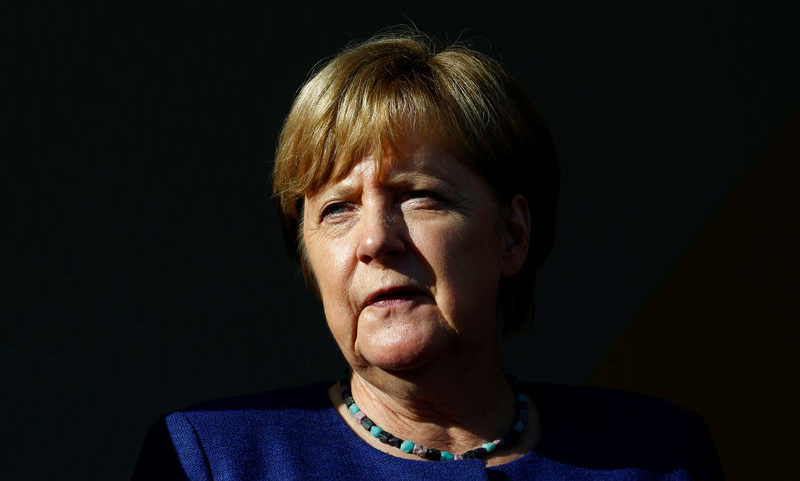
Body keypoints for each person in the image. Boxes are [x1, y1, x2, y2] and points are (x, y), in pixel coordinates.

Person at [133, 30, 724, 479]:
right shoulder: (210, 462)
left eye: (418, 197)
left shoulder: (660, 453)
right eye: (337, 209)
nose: (374, 240)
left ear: (512, 234)